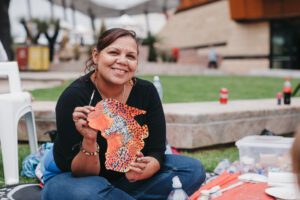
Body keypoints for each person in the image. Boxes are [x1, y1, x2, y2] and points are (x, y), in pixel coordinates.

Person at [41, 28, 206, 200]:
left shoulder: (146, 92)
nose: (122, 61)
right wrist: (89, 140)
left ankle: (114, 196)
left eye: (130, 56)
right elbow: (80, 172)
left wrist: (151, 166)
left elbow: (157, 149)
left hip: (127, 179)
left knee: (192, 170)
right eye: (114, 52)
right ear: (96, 56)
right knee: (70, 191)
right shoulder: (75, 97)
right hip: (80, 180)